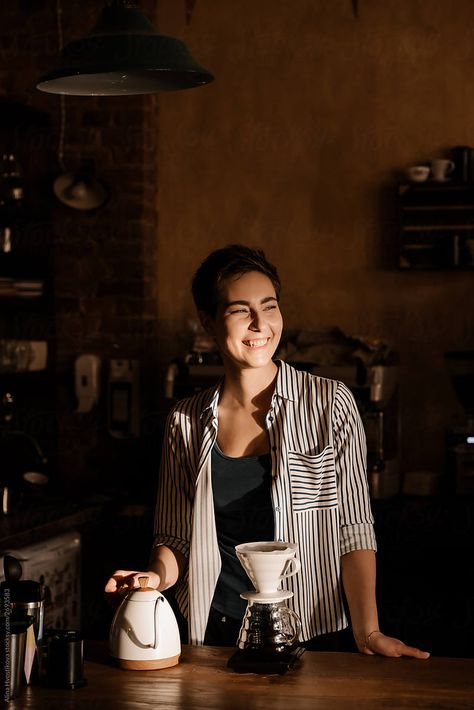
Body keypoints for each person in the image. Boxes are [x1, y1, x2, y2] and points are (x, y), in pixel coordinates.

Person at [105, 244, 429, 659]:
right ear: (208, 321)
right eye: (240, 309)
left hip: (309, 632)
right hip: (217, 634)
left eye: (269, 306)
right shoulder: (185, 422)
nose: (260, 324)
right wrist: (152, 578)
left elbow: (353, 530)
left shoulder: (330, 404)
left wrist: (368, 632)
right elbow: (174, 538)